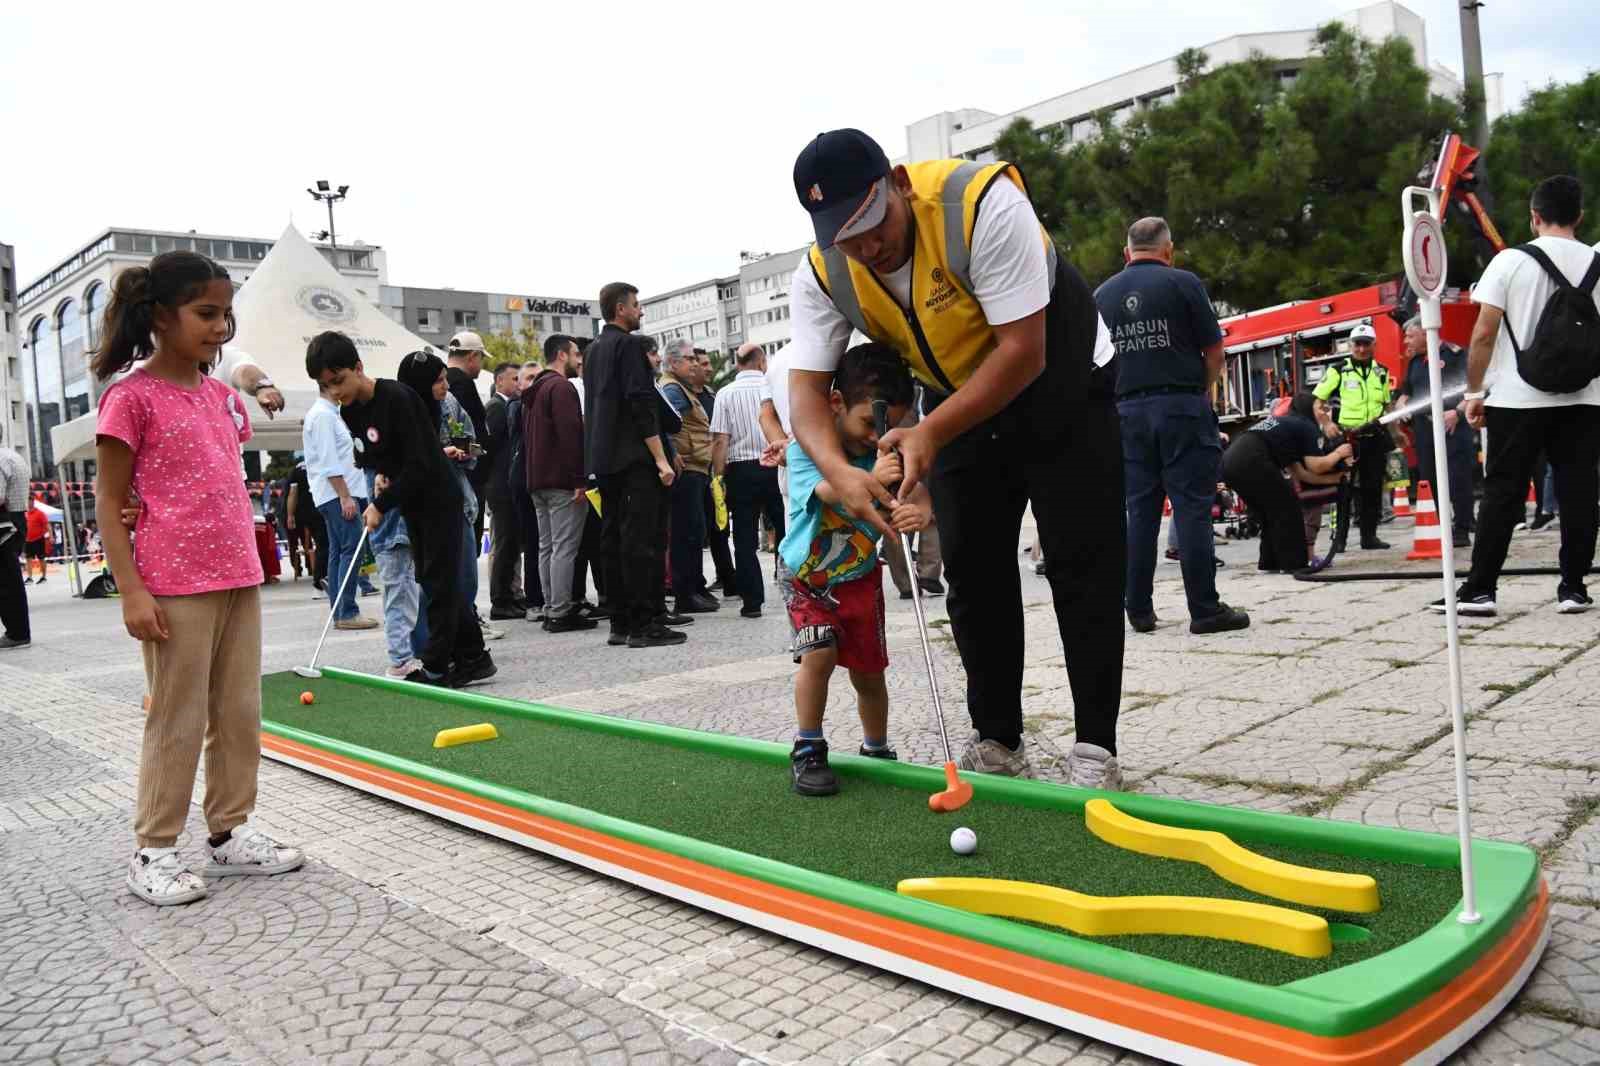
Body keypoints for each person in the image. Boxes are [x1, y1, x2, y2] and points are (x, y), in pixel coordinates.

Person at [785, 129, 1125, 788]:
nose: (866, 247)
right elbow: (804, 396)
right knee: (973, 570)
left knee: (1082, 558)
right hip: (958, 401)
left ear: (900, 183)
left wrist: (929, 432)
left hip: (1062, 382)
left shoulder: (982, 205)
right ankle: (998, 738)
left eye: (872, 222)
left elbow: (1023, 350)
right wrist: (840, 473)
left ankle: (1095, 748)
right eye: (844, 237)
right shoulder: (822, 272)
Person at [92, 250, 303, 907]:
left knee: (239, 712)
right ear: (160, 315)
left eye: (225, 314)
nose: (219, 325)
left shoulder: (219, 398)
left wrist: (256, 379)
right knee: (177, 718)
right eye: (205, 313)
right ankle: (153, 849)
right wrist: (131, 587)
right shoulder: (130, 399)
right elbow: (109, 499)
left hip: (238, 574)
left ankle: (229, 832)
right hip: (173, 584)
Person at [1436, 174, 1600, 617]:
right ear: (1579, 217)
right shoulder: (1596, 262)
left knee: (1503, 492)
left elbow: (1484, 333)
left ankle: (1480, 591)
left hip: (1516, 397)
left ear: (1534, 217)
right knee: (1579, 493)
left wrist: (1473, 392)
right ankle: (1573, 588)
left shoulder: (1509, 262)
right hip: (1584, 399)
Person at [781, 344, 931, 795]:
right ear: (835, 403)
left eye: (886, 425)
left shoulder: (888, 451)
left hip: (861, 578)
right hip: (807, 578)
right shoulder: (808, 448)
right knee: (820, 654)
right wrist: (875, 477)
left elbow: (919, 494)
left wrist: (918, 511)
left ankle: (877, 748)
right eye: (868, 422)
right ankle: (807, 746)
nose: (875, 435)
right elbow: (836, 492)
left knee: (869, 672)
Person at [309, 336, 497, 686]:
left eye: (339, 381)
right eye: (326, 386)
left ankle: (438, 668)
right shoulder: (349, 410)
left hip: (438, 497)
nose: (335, 392)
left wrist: (381, 503)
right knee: (431, 579)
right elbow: (371, 453)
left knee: (439, 584)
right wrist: (380, 474)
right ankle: (474, 657)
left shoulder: (397, 398)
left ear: (359, 368)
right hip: (411, 500)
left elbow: (421, 463)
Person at [1096, 217, 1247, 636]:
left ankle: (1139, 610)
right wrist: (1198, 389)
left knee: (1139, 513)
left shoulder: (1102, 296)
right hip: (1180, 405)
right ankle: (1205, 609)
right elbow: (1214, 351)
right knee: (1192, 508)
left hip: (1126, 414)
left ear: (1126, 253)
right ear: (1169, 250)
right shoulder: (1184, 283)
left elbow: (1094, 363)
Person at [583, 283, 685, 648]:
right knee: (641, 540)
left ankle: (621, 622)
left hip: (605, 458)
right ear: (621, 309)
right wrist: (661, 457)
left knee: (612, 539)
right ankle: (645, 625)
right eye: (637, 305)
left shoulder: (593, 350)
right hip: (633, 458)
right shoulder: (628, 346)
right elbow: (640, 402)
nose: (641, 311)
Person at [1222, 393, 1353, 573]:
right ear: (1307, 409)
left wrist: (1334, 480)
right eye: (1320, 407)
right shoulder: (1306, 426)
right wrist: (1339, 453)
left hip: (1230, 462)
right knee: (1288, 507)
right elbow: (1316, 465)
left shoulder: (1287, 425)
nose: (1324, 412)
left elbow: (1301, 474)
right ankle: (1295, 564)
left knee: (1271, 512)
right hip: (1252, 460)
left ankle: (1271, 561)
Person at [524, 334, 598, 632]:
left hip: (537, 481)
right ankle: (560, 611)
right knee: (565, 548)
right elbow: (571, 435)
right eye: (576, 354)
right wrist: (579, 478)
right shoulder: (561, 387)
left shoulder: (535, 390)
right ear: (561, 355)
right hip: (561, 481)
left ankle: (550, 607)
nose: (580, 359)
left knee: (547, 547)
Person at [711, 342, 785, 619]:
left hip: (740, 471)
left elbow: (720, 439)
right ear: (761, 361)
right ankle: (793, 584)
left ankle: (752, 602)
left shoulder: (725, 394)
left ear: (738, 362)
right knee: (786, 526)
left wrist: (719, 475)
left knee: (743, 538)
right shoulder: (773, 389)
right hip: (777, 464)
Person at [302, 381, 378, 629]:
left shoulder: (328, 414)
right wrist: (345, 496)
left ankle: (341, 610)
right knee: (350, 550)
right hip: (337, 494)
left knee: (339, 552)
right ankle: (346, 611)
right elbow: (328, 460)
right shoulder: (323, 416)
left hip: (335, 493)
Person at [1394, 315, 1475, 548]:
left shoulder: (1455, 354)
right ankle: (1441, 527)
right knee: (1429, 479)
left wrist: (1457, 413)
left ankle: (1462, 529)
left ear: (1424, 332)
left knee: (1458, 478)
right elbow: (1405, 392)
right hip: (1424, 429)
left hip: (1452, 427)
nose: (1406, 342)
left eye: (1410, 336)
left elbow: (1472, 387)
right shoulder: (1416, 362)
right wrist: (1402, 405)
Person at [1314, 322, 1394, 551]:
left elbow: (1387, 407)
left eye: (1366, 344)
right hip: (1346, 439)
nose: (1361, 349)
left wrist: (1397, 435)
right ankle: (1339, 540)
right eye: (1357, 344)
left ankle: (1369, 537)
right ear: (1351, 345)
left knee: (1373, 489)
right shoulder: (1338, 370)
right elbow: (1317, 402)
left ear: (1373, 345)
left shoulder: (1382, 372)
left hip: (1375, 437)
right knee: (1343, 490)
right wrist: (1326, 423)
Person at [660, 339, 720, 614]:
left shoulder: (683, 388)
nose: (694, 363)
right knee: (686, 534)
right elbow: (666, 423)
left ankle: (695, 587)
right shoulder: (673, 389)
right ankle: (686, 594)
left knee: (696, 532)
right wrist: (672, 454)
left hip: (697, 468)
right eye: (688, 359)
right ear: (673, 363)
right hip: (687, 470)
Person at [484, 360, 532, 620]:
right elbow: (494, 448)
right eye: (514, 379)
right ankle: (500, 600)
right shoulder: (496, 408)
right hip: (500, 486)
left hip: (508, 485)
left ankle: (512, 596)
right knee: (504, 543)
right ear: (499, 381)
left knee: (513, 544)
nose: (518, 383)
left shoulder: (509, 406)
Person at [366, 466, 425, 678]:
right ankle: (399, 660)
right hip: (393, 535)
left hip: (395, 534)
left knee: (404, 597)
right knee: (400, 599)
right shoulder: (381, 461)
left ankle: (402, 656)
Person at [444, 331, 492, 552]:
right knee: (466, 546)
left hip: (449, 471)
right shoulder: (462, 384)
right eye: (481, 358)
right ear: (472, 356)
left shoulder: (442, 381)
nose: (481, 366)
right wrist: (478, 451)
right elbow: (465, 434)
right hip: (467, 474)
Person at [0, 446, 32, 648]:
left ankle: (17, 633)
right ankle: (17, 631)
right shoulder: (13, 455)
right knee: (9, 580)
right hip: (17, 518)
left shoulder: (1, 459)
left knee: (6, 582)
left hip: (5, 522)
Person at [22, 496, 49, 584]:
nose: (28, 503)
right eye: (27, 501)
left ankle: (43, 577)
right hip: (28, 540)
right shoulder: (25, 514)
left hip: (38, 539)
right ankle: (30, 578)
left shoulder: (40, 513)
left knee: (41, 558)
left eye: (30, 501)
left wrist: (51, 536)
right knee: (28, 559)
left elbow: (47, 525)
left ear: (33, 502)